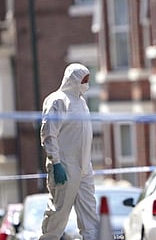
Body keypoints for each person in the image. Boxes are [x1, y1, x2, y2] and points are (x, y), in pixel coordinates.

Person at [39, 63, 99, 240]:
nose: (86, 84)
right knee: (59, 213)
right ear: (73, 79)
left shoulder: (81, 102)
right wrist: (55, 162)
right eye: (84, 80)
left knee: (89, 215)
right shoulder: (58, 100)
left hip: (84, 168)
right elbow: (48, 133)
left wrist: (86, 165)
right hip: (64, 166)